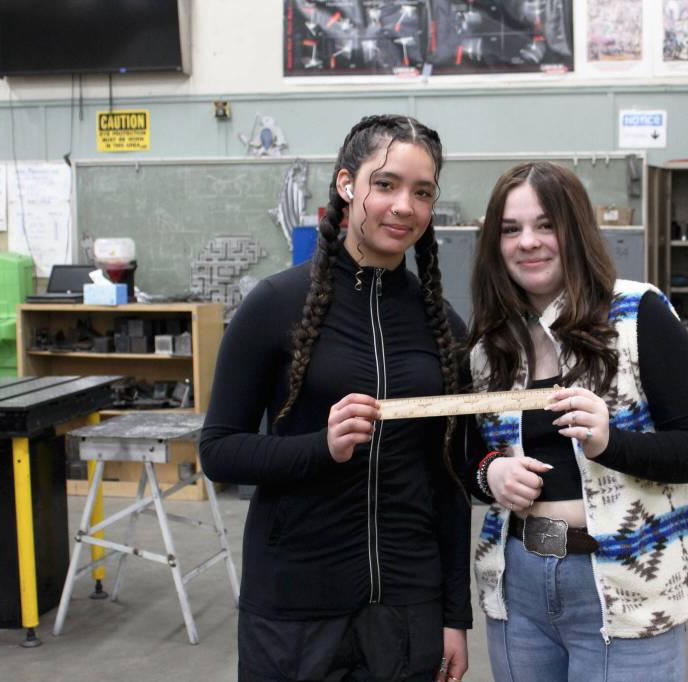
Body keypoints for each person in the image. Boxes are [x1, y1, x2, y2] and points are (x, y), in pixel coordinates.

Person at [199, 115, 471, 682]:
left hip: (406, 604)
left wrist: (453, 615)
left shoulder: (441, 325)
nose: (404, 206)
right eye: (387, 184)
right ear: (347, 185)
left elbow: (447, 481)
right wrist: (319, 448)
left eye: (422, 192)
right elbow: (220, 452)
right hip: (296, 603)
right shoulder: (274, 306)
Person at [464, 161, 688, 682]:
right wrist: (490, 475)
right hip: (520, 583)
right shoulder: (490, 347)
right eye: (511, 229)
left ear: (576, 231)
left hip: (628, 581)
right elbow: (465, 456)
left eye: (547, 225)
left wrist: (610, 442)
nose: (529, 242)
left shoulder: (639, 315)